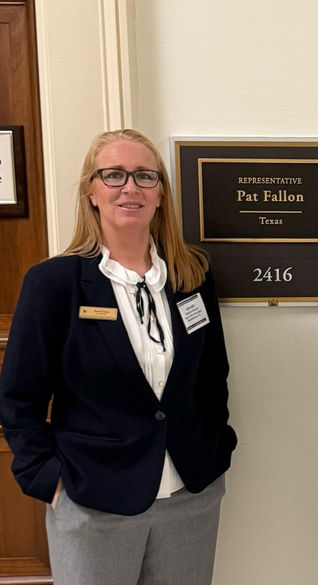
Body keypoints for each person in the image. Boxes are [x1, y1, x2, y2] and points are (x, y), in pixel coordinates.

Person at [0, 129, 237, 585]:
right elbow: (18, 396)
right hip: (93, 501)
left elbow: (213, 375)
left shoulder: (193, 275)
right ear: (91, 191)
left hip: (192, 493)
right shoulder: (54, 284)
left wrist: (217, 444)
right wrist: (46, 479)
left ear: (161, 193)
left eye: (145, 176)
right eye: (113, 175)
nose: (130, 188)